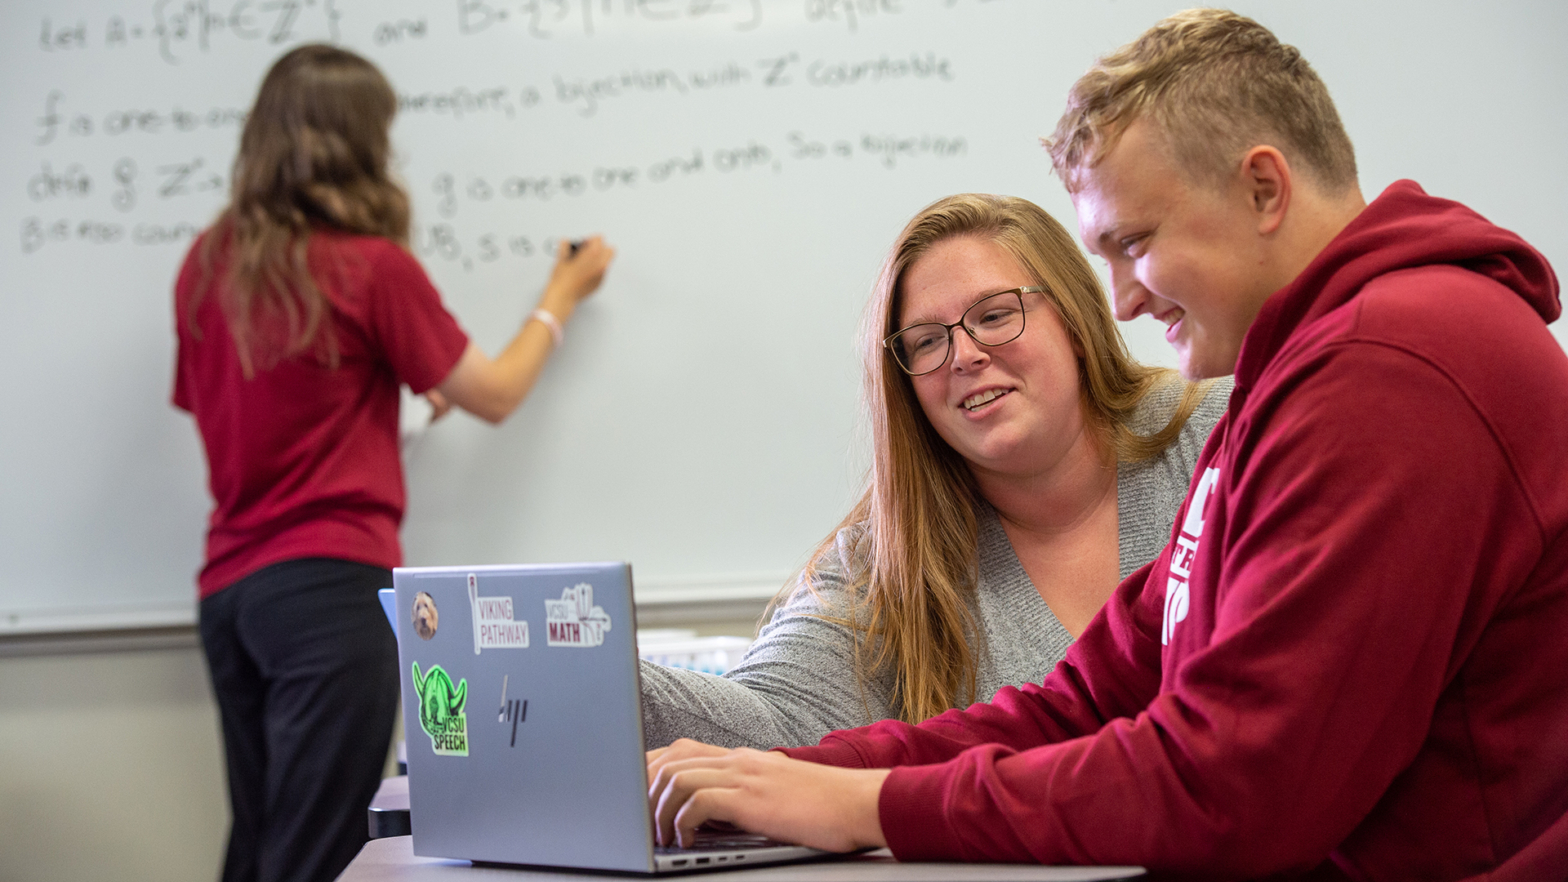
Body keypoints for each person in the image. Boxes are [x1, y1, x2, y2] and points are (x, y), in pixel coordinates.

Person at [646, 9, 1568, 879]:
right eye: (926, 343)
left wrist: (874, 807)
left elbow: (1231, 785)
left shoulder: (1389, 369)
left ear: (1263, 188)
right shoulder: (1296, 380)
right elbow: (1091, 696)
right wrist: (827, 778)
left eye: (1136, 243)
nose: (1124, 298)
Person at [172, 45, 614, 882]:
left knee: (262, 841)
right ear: (356, 142)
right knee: (319, 853)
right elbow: (495, 393)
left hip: (229, 596)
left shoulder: (207, 264)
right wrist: (561, 297)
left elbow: (255, 411)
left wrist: (393, 402)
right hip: (326, 595)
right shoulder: (370, 267)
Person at [640, 193, 1230, 751]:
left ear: (1075, 321)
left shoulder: (1221, 433)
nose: (965, 355)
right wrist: (583, 665)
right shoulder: (894, 558)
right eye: (926, 343)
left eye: (996, 316)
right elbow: (767, 722)